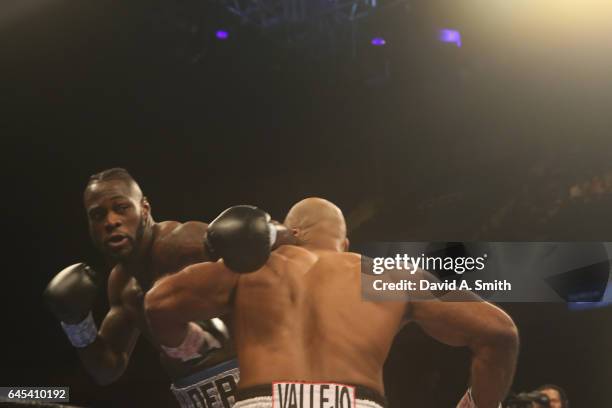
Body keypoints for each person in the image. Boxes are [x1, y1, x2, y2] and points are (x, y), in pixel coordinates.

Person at [145, 198, 519, 408]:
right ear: (345, 241)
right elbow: (500, 333)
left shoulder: (251, 268)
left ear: (292, 232)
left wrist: (191, 348)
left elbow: (159, 303)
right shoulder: (390, 276)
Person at [44, 168, 238, 408]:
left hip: (257, 388)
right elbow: (106, 370)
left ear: (144, 209)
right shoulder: (122, 284)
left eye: (121, 208)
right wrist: (77, 324)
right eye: (98, 215)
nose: (111, 221)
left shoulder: (185, 243)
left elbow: (268, 266)